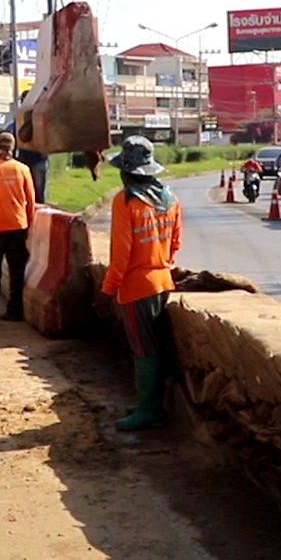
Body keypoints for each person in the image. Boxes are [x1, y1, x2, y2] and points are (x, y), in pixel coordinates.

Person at [100, 135, 183, 431]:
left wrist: (108, 289)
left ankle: (149, 409)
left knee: (144, 349)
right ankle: (149, 403)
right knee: (154, 346)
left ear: (126, 172)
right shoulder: (170, 198)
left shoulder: (126, 201)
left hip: (136, 287)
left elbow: (120, 255)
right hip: (162, 281)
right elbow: (175, 243)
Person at [0, 130, 35, 322]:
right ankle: (14, 311)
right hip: (18, 226)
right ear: (13, 147)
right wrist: (28, 224)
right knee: (16, 272)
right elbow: (31, 201)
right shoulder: (23, 169)